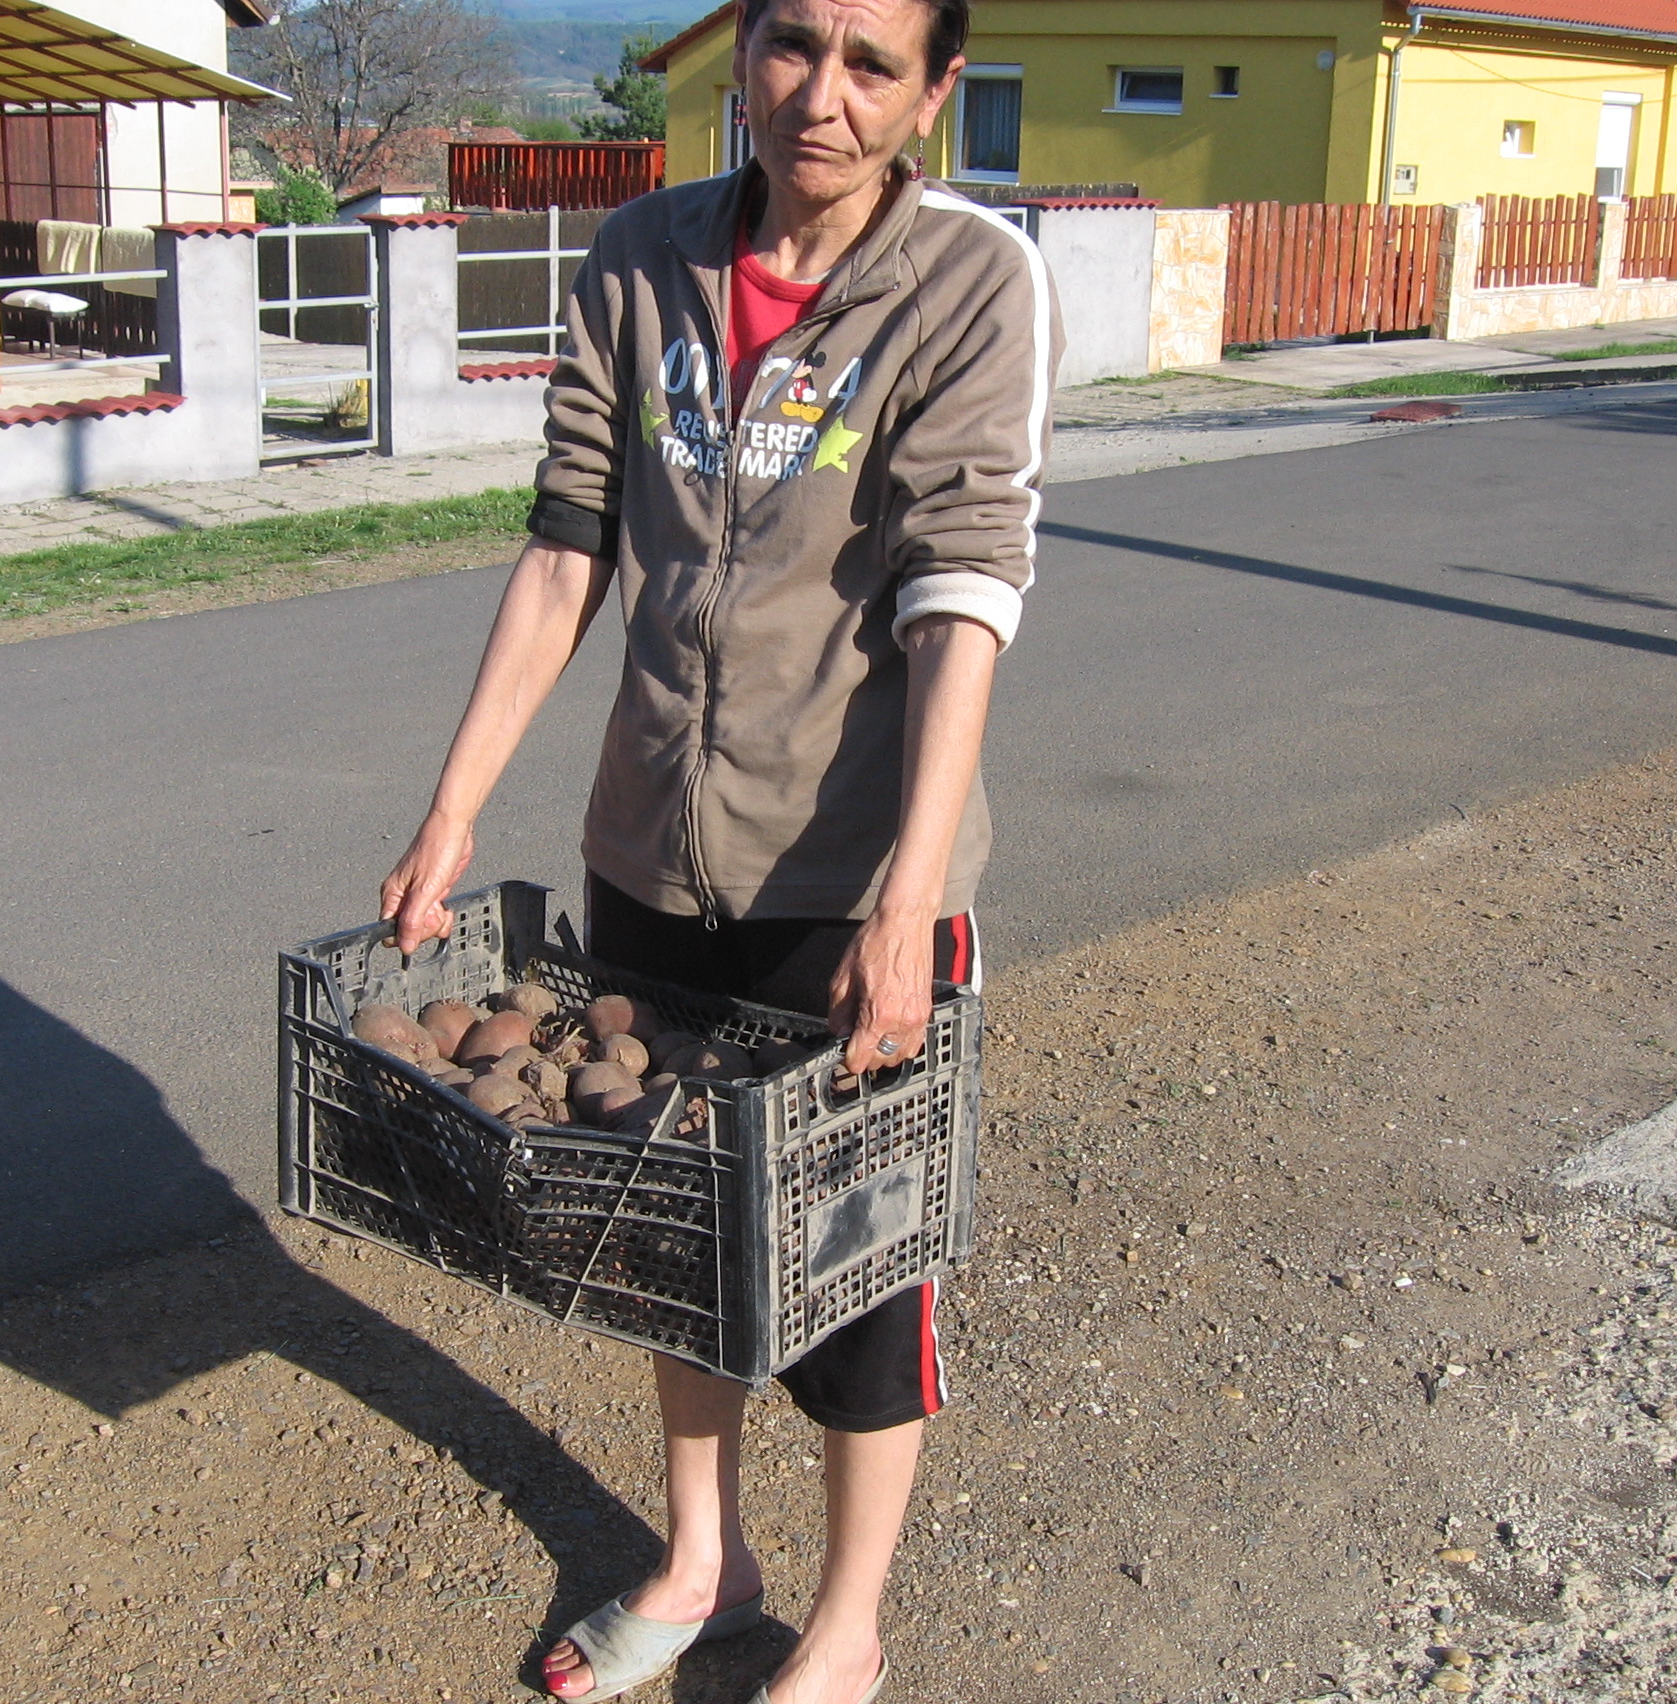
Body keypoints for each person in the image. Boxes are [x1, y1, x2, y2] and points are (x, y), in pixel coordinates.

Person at [379, 0, 1061, 1693]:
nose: (822, 95)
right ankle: (705, 1559)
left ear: (934, 92)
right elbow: (568, 546)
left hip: (849, 883)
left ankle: (848, 1629)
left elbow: (964, 594)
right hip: (650, 857)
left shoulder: (969, 283)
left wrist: (909, 900)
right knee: (670, 1231)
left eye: (872, 63)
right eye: (792, 43)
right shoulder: (640, 258)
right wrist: (455, 805)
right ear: (744, 48)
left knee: (858, 1262)